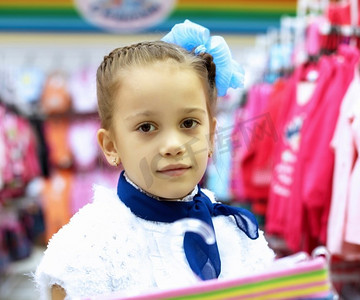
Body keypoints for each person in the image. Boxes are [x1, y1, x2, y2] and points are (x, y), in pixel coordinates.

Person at [34, 20, 276, 300]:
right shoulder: (83, 254)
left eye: (188, 123)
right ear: (111, 146)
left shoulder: (239, 236)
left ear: (211, 136)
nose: (173, 145)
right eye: (147, 127)